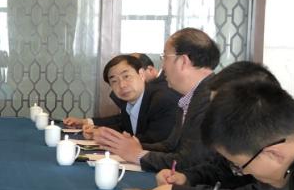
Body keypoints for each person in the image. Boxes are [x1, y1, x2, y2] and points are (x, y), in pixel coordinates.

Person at [110, 61, 288, 190]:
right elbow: (223, 169)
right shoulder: (250, 135)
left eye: (220, 110)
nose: (215, 118)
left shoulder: (282, 148)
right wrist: (187, 178)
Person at [94, 28, 220, 173]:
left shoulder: (212, 99)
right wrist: (131, 146)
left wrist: (137, 155)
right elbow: (170, 146)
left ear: (183, 61)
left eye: (164, 57)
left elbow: (190, 162)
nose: (162, 66)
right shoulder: (190, 98)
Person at [75, 54, 179, 145]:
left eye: (126, 76)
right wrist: (98, 131)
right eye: (114, 81)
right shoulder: (127, 103)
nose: (122, 85)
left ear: (141, 74)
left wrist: (106, 137)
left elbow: (154, 141)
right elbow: (125, 128)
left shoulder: (163, 99)